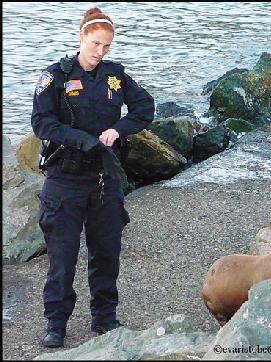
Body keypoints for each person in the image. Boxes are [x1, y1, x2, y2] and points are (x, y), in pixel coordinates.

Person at [31, 7, 155, 348]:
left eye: (106, 46)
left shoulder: (116, 77)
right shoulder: (55, 76)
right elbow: (42, 123)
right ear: (81, 37)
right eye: (96, 43)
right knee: (62, 257)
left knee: (107, 252)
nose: (100, 52)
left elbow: (146, 108)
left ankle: (104, 317)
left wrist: (118, 128)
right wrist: (82, 140)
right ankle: (56, 322)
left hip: (105, 179)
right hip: (65, 178)